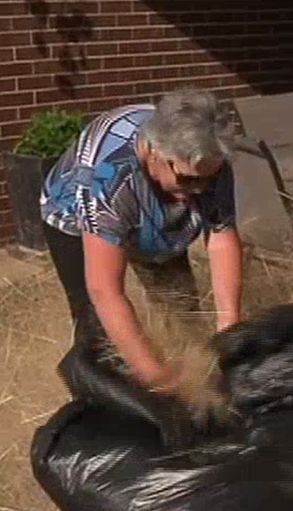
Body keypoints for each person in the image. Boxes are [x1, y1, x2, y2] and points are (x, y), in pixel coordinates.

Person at [39, 87, 243, 393]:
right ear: (153, 151)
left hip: (155, 205)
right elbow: (105, 290)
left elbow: (221, 237)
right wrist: (154, 374)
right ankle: (98, 404)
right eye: (188, 179)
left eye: (208, 180)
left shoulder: (205, 159)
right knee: (97, 331)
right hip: (73, 218)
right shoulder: (107, 179)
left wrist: (229, 331)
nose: (201, 190)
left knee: (182, 311)